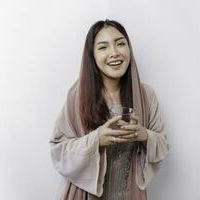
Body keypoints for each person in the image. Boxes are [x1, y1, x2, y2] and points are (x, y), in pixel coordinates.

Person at [50, 19, 169, 200]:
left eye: (120, 44)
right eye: (103, 47)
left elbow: (162, 145)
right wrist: (96, 139)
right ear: (93, 56)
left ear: (129, 49)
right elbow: (58, 149)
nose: (114, 53)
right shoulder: (77, 96)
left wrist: (143, 135)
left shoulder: (146, 95)